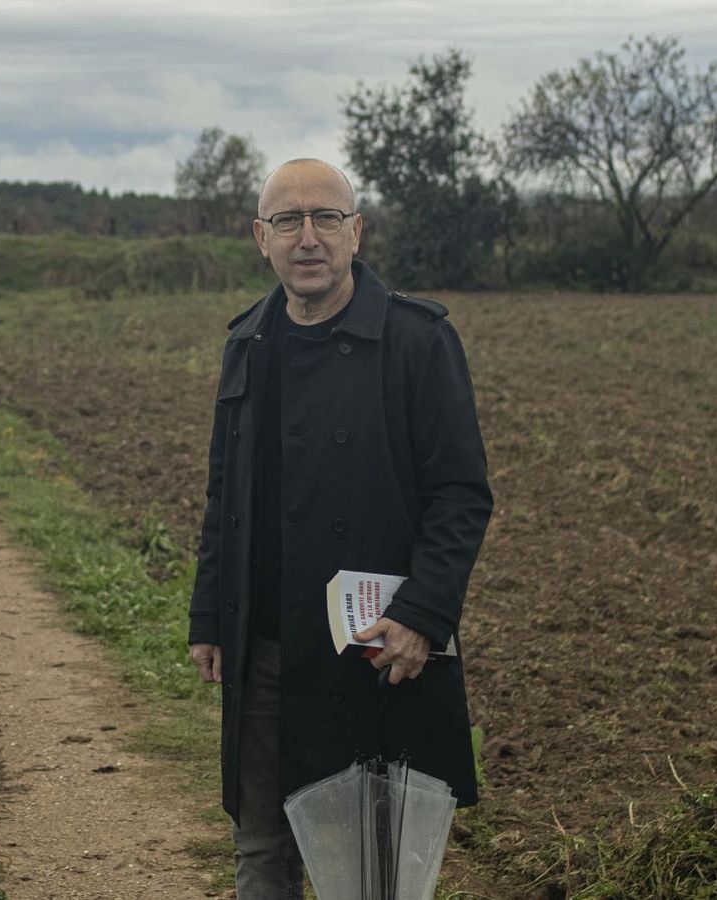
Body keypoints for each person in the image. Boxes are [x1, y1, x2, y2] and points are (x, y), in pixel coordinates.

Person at [187, 158, 492, 898]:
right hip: (264, 648)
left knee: (371, 863)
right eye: (288, 221)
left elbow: (461, 493)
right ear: (262, 238)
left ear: (357, 231)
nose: (309, 237)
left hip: (375, 650)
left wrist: (421, 615)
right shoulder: (248, 341)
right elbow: (225, 492)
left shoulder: (417, 341)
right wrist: (209, 614)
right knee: (262, 847)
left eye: (326, 218)